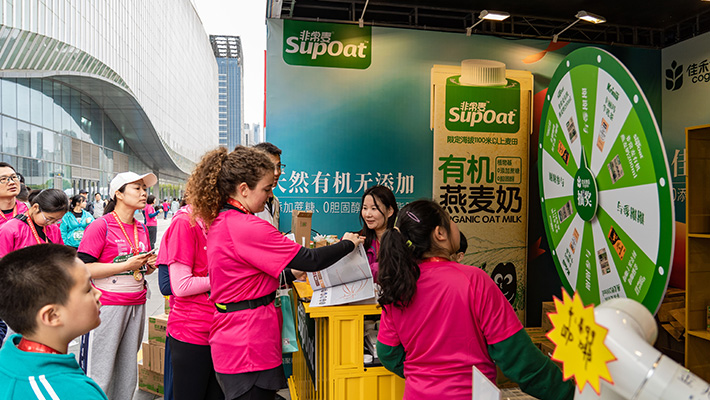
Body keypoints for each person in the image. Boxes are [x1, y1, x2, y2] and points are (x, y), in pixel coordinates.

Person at [188, 146, 364, 400]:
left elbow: (246, 278)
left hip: (238, 337)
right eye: (266, 189)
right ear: (244, 189)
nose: (270, 195)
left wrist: (291, 274)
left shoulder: (225, 220)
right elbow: (311, 259)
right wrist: (347, 244)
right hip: (248, 344)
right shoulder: (247, 226)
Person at [376, 200, 574, 400]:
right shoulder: (474, 280)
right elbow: (518, 358)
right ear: (440, 233)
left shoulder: (398, 287)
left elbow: (387, 353)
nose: (455, 225)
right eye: (450, 220)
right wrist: (569, 393)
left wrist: (422, 373)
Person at [77, 171, 158, 400]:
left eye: (145, 189)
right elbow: (82, 268)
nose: (143, 193)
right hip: (105, 306)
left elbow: (140, 269)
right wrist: (126, 265)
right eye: (137, 188)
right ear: (118, 194)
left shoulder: (141, 228)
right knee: (98, 371)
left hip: (136, 304)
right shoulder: (101, 225)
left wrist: (149, 266)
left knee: (127, 371)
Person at [0, 244, 107, 400]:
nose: (98, 293)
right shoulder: (73, 393)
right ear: (52, 316)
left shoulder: (8, 358)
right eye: (87, 289)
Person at [158, 198, 224, 400]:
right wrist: (226, 278)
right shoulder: (184, 223)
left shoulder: (221, 221)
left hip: (221, 328)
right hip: (192, 330)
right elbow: (176, 285)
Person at [0, 162, 28, 344]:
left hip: (26, 289)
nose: (11, 182)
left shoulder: (31, 211)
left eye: (13, 177)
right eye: (4, 179)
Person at [0, 189, 67, 256]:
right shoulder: (10, 229)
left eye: (57, 220)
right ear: (35, 207)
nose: (51, 223)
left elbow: (61, 255)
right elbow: (3, 258)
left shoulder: (54, 229)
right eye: (49, 219)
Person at [358, 185, 398, 282]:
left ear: (390, 211)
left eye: (374, 208)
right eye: (365, 208)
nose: (368, 214)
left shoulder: (401, 242)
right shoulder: (358, 241)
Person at [253, 142, 282, 229]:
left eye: (279, 166)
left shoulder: (275, 201)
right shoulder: (249, 202)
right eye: (271, 167)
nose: (277, 173)